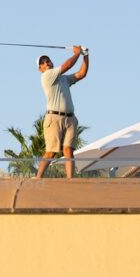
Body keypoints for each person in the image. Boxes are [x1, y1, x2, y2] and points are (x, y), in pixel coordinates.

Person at [35, 46, 89, 179]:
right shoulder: (47, 76)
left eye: (47, 61)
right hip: (54, 118)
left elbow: (81, 74)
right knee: (51, 152)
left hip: (70, 119)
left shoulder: (63, 78)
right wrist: (77, 53)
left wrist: (85, 55)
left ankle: (70, 180)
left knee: (68, 150)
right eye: (42, 63)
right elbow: (68, 65)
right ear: (40, 69)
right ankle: (38, 178)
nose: (46, 63)